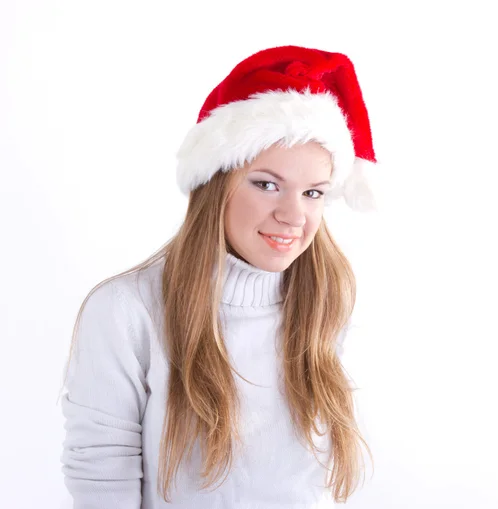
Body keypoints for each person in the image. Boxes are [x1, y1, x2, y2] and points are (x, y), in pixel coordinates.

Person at [59, 44, 378, 508]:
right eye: (266, 184)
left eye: (312, 192)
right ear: (215, 184)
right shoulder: (128, 310)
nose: (293, 215)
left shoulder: (326, 301)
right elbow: (101, 472)